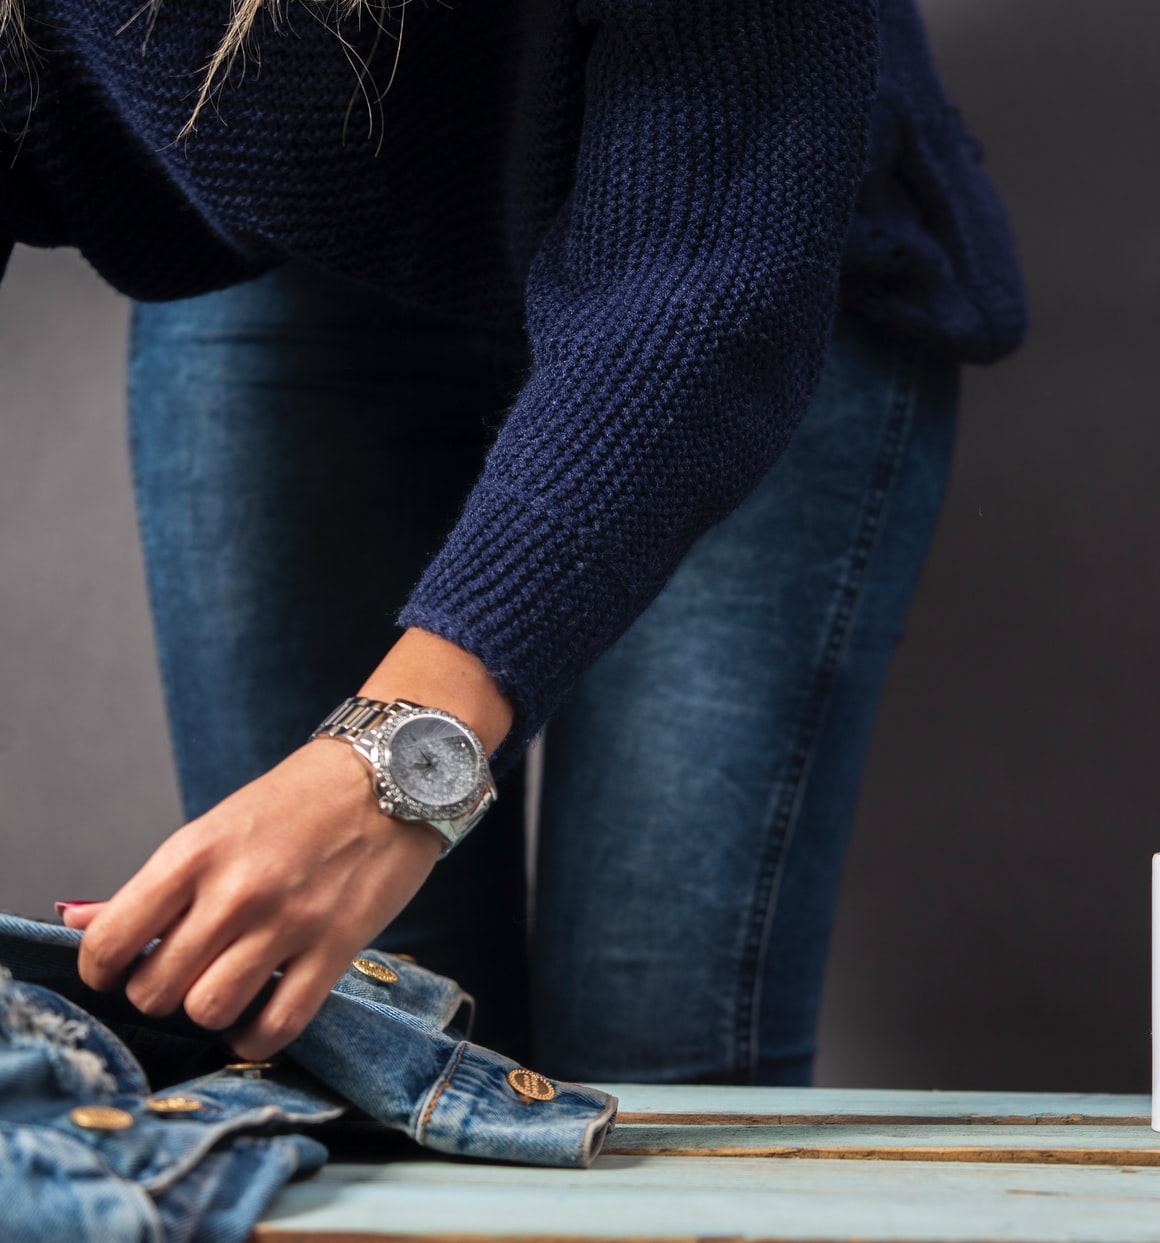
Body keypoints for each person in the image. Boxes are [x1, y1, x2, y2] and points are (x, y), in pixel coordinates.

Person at [1, 0, 1024, 1082]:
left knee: (657, 1060)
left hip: (735, 233)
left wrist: (387, 763)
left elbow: (712, 269)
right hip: (285, 260)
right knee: (348, 1056)